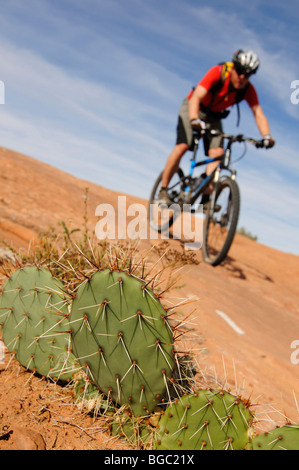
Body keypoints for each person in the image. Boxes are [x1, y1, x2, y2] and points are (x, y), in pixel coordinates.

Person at [158, 49, 275, 206]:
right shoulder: (217, 73)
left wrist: (266, 136)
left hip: (213, 116)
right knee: (183, 146)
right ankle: (163, 190)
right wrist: (194, 119)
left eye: (246, 74)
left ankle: (205, 195)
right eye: (240, 71)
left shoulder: (247, 90)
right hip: (194, 107)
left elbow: (257, 112)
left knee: (218, 153)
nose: (241, 77)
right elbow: (196, 96)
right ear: (233, 67)